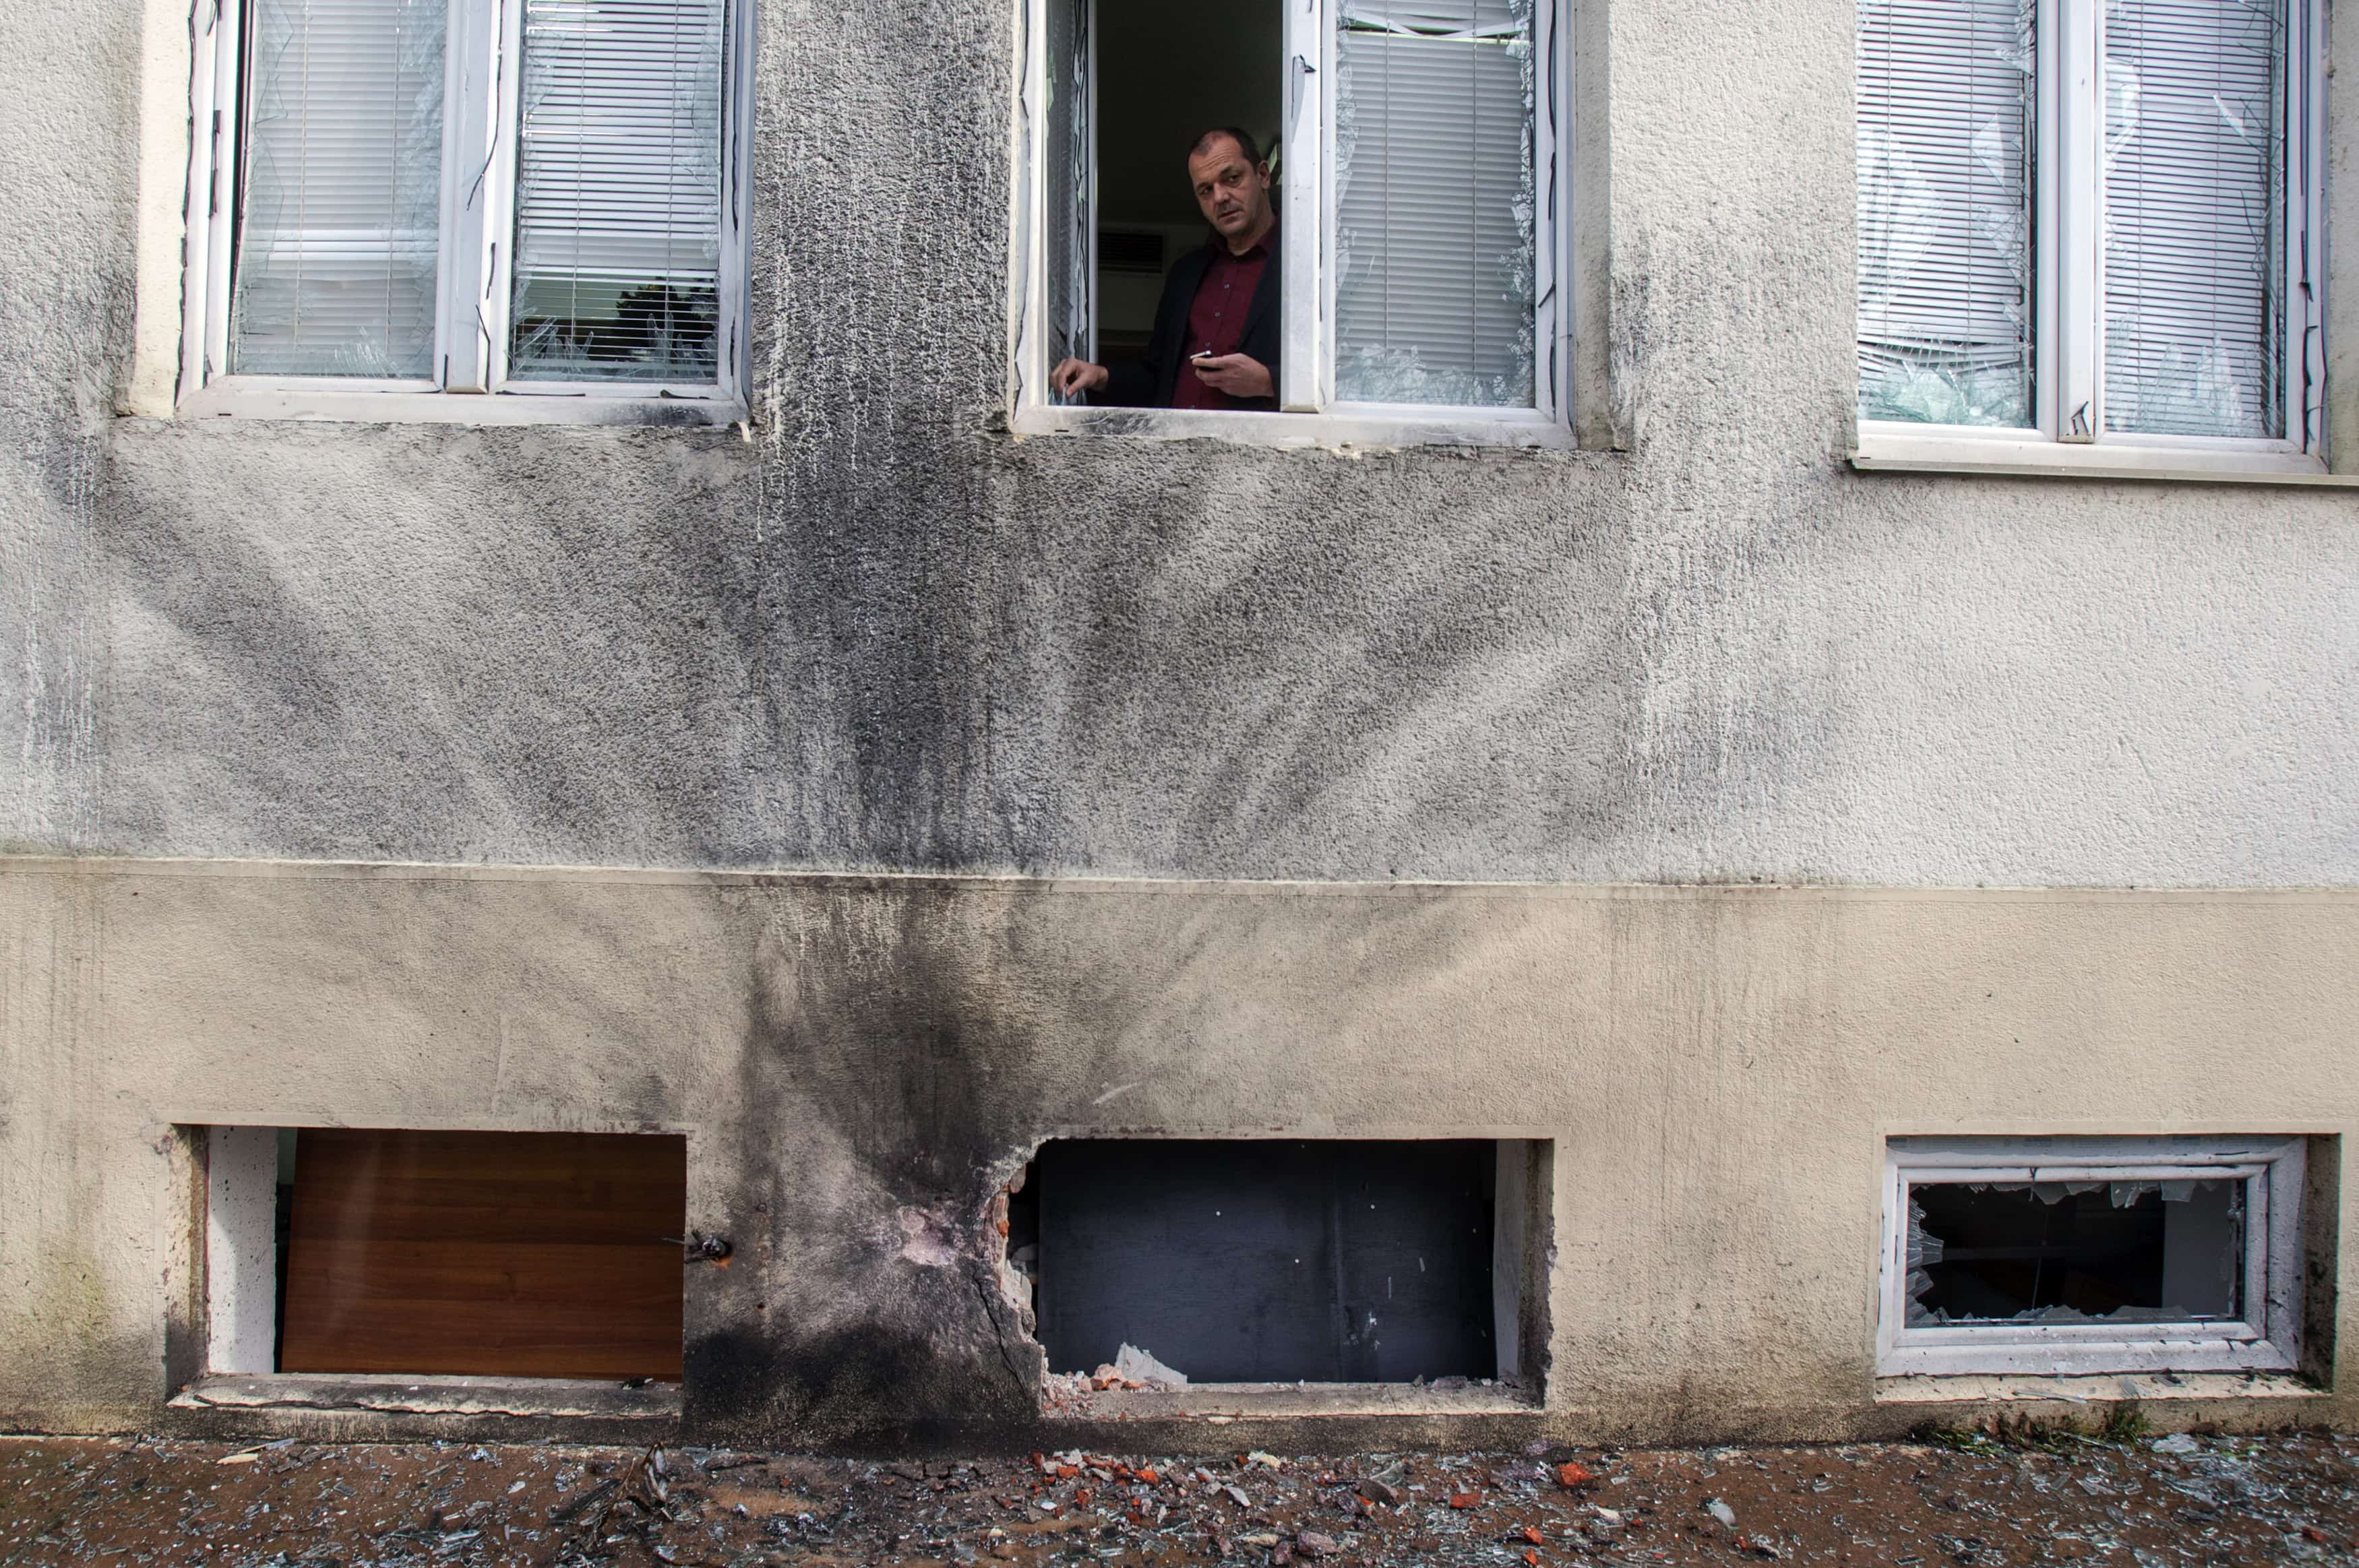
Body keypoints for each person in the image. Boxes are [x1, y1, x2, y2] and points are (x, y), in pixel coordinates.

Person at [1051, 127, 1280, 410]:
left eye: (1232, 178)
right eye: (1205, 190)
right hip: (1174, 448)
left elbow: (1344, 373)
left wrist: (1270, 382)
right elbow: (1158, 378)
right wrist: (1101, 376)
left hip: (1259, 450)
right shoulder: (1186, 274)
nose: (1220, 197)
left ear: (1263, 175)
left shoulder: (1304, 266)